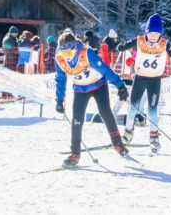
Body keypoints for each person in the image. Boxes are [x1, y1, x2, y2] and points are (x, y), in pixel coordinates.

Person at [54, 33, 130, 168]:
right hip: (80, 89)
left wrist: (120, 85)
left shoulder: (87, 53)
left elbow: (105, 70)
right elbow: (60, 78)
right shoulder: (59, 58)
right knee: (77, 120)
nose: (67, 55)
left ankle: (118, 143)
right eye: (64, 52)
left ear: (75, 48)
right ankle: (75, 153)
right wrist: (59, 99)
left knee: (105, 112)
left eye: (70, 52)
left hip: (98, 85)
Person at [116, 13, 171, 154]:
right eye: (151, 32)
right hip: (139, 78)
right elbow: (126, 45)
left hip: (154, 80)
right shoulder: (139, 40)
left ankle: (154, 138)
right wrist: (121, 47)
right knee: (133, 108)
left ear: (160, 34)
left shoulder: (164, 43)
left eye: (156, 33)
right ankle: (128, 132)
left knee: (152, 111)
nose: (153, 36)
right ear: (147, 31)